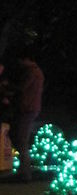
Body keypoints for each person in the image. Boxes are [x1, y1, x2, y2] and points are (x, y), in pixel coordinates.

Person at [11, 51, 44, 182]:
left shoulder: (32, 72)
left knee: (22, 139)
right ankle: (23, 171)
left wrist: (10, 87)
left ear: (26, 59)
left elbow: (23, 88)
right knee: (21, 139)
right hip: (32, 108)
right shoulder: (37, 72)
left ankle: (25, 173)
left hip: (28, 108)